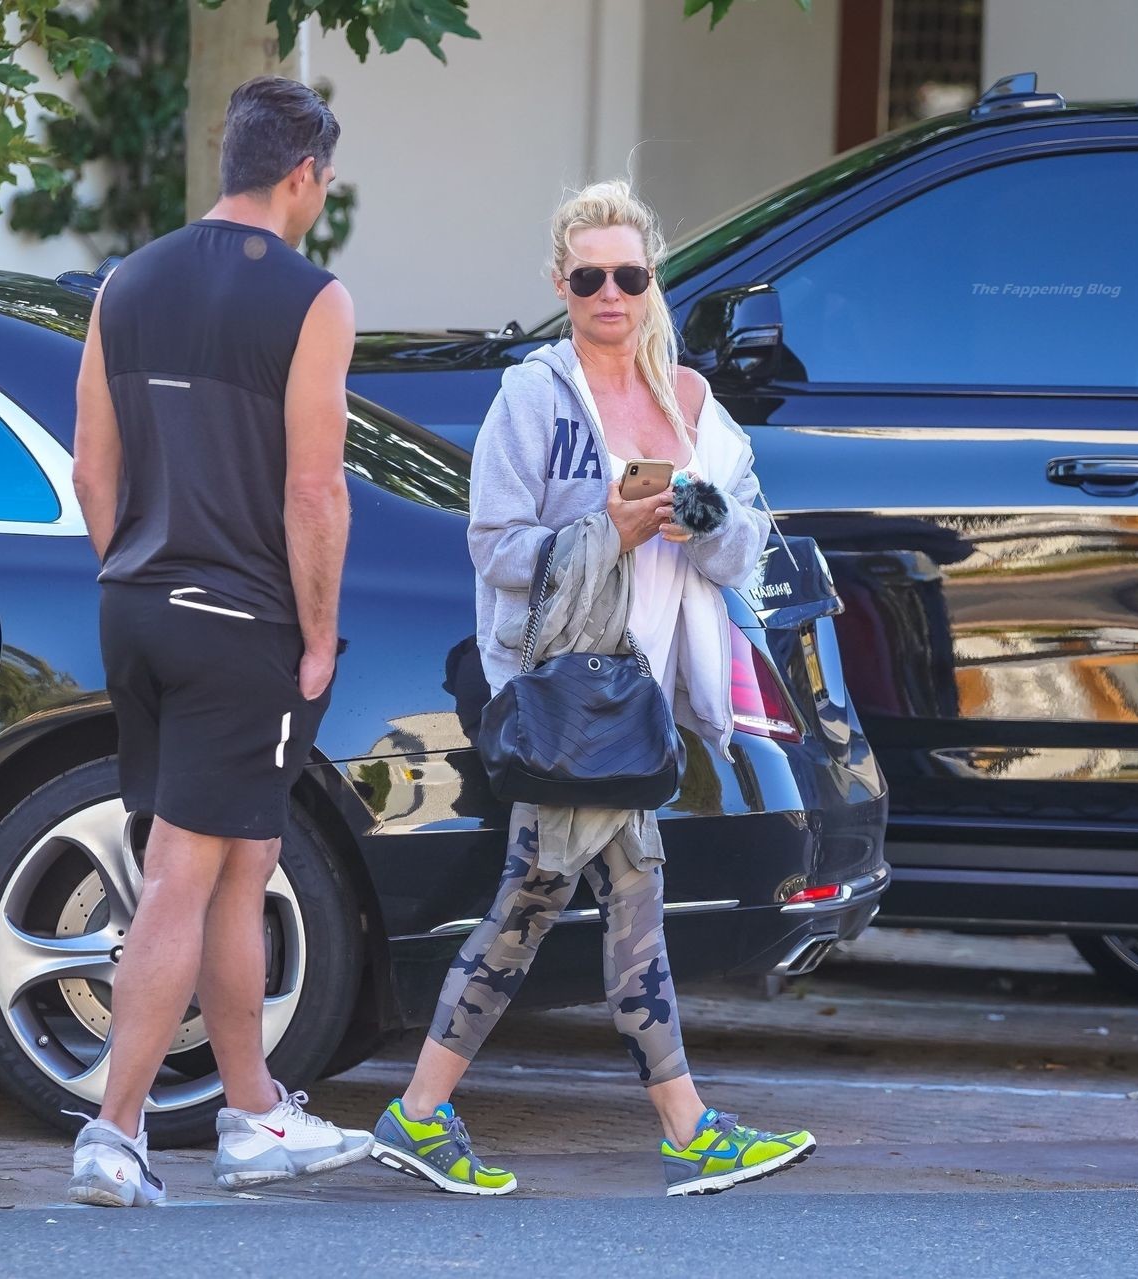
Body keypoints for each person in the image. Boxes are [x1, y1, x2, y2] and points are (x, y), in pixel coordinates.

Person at [367, 179, 817, 1199]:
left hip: (639, 694)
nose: (610, 293)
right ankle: (430, 1114)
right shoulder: (534, 397)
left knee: (617, 899)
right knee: (542, 898)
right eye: (588, 279)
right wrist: (606, 531)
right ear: (560, 286)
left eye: (628, 275)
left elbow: (747, 540)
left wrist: (701, 517)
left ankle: (670, 1126)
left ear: (652, 280)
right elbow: (495, 547)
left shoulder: (688, 399)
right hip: (569, 691)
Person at [66, 75, 370, 1208]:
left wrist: (138, 569)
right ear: (304, 176)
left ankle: (252, 1116)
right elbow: (314, 489)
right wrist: (320, 634)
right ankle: (113, 1131)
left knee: (246, 856)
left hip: (136, 604)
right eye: (323, 180)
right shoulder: (314, 299)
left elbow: (91, 468)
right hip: (241, 622)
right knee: (181, 876)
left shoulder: (126, 283)